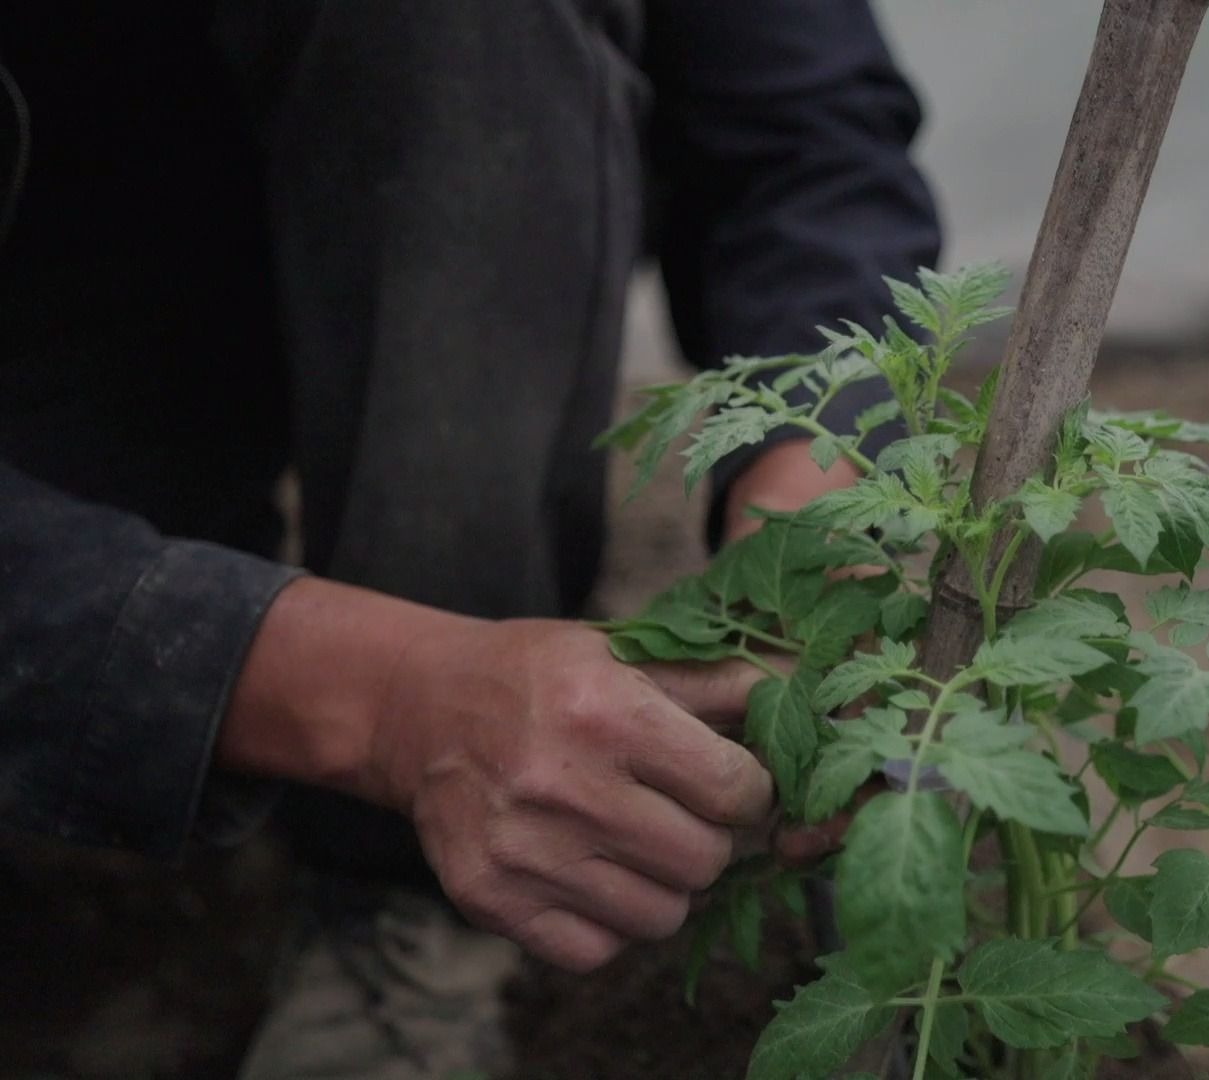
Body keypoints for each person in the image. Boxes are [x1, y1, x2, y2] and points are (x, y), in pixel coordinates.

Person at [0, 1, 939, 1075]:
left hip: (359, 211)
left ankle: (402, 898)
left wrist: (806, 504)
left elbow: (802, 122)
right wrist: (392, 702)